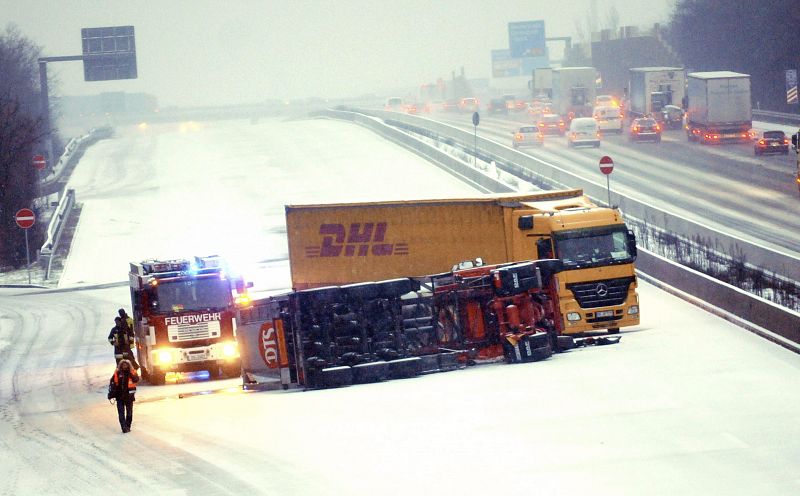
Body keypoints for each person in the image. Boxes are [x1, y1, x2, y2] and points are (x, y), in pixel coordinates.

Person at [109, 359, 139, 433]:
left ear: (129, 366)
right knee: (121, 413)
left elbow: (136, 380)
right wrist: (111, 393)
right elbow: (112, 383)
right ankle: (124, 427)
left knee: (129, 413)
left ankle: (128, 426)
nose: (124, 366)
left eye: (126, 365)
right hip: (119, 396)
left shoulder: (132, 372)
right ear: (120, 366)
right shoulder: (117, 373)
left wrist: (130, 374)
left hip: (129, 397)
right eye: (123, 365)